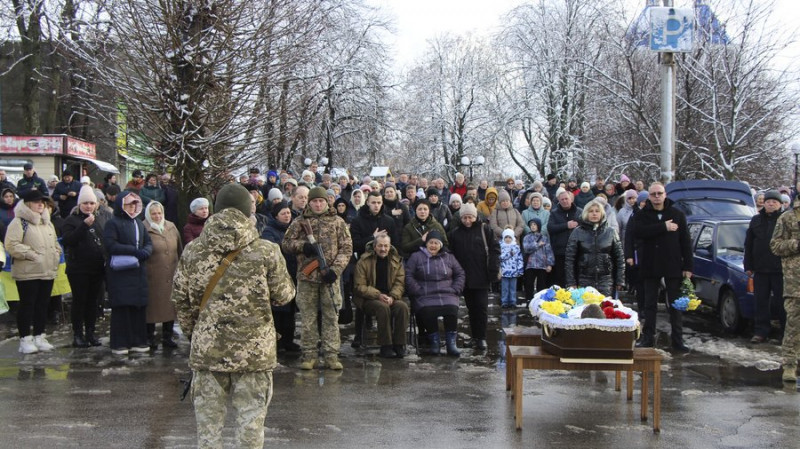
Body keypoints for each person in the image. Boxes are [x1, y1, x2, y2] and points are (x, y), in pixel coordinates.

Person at [172, 183, 295, 448]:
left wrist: (197, 333)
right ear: (246, 210)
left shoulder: (193, 250)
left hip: (208, 352)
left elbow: (180, 300)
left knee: (208, 432)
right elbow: (284, 295)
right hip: (254, 354)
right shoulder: (266, 250)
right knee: (250, 427)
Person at [282, 186, 353, 370]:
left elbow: (346, 249)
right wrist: (303, 246)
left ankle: (331, 356)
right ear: (309, 202)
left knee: (331, 317)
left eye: (321, 201)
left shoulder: (338, 222)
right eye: (314, 201)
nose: (318, 204)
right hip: (307, 278)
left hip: (330, 278)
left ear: (327, 201)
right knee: (308, 318)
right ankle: (309, 355)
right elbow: (286, 243)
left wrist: (335, 270)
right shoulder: (299, 222)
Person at [632, 183, 692, 351]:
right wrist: (663, 227)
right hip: (650, 263)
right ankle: (648, 338)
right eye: (653, 194)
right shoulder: (642, 214)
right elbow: (638, 232)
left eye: (659, 193)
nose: (657, 197)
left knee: (675, 304)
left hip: (672, 263)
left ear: (665, 194)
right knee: (649, 304)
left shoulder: (677, 214)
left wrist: (688, 265)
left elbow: (686, 241)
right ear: (649, 196)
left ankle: (677, 340)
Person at [5, 189, 62, 354]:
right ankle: (25, 339)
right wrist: (32, 255)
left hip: (47, 270)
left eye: (43, 202)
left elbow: (54, 242)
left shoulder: (47, 221)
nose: (41, 205)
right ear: (28, 203)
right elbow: (12, 245)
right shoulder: (19, 222)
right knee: (27, 305)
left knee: (43, 305)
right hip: (28, 271)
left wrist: (56, 254)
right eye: (37, 202)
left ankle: (39, 335)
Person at [104, 192, 153, 354]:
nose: (132, 207)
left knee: (138, 307)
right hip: (120, 272)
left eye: (134, 204)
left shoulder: (138, 223)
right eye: (129, 204)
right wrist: (134, 251)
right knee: (122, 307)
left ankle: (138, 340)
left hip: (138, 271)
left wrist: (145, 251)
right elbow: (111, 244)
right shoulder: (113, 223)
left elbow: (147, 242)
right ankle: (120, 342)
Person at [448, 203, 500, 350]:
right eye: (464, 217)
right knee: (471, 309)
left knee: (481, 308)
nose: (467, 220)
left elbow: (495, 250)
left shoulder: (485, 230)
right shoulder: (455, 233)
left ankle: (481, 338)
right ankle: (475, 337)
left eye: (470, 217)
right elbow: (450, 254)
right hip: (464, 277)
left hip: (482, 275)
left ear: (475, 216)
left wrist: (493, 270)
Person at [405, 230, 465, 356]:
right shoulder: (416, 257)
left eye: (436, 243)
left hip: (447, 292)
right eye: (431, 243)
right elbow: (408, 275)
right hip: (425, 293)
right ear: (426, 244)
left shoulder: (449, 257)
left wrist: (455, 289)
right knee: (428, 310)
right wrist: (417, 290)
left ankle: (451, 344)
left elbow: (460, 273)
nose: (433, 246)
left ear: (441, 245)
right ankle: (435, 342)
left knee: (451, 309)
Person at [61, 186, 106, 347]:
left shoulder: (99, 219)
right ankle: (78, 334)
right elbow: (68, 240)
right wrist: (84, 225)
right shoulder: (71, 220)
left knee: (93, 303)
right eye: (85, 203)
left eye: (92, 203)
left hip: (96, 268)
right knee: (80, 302)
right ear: (80, 204)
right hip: (78, 269)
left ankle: (91, 333)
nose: (89, 206)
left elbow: (103, 240)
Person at [353, 234, 409, 358]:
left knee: (402, 307)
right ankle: (386, 345)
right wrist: (378, 295)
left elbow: (400, 283)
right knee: (382, 308)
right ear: (374, 246)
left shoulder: (396, 261)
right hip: (369, 299)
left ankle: (399, 344)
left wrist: (393, 296)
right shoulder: (363, 261)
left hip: (391, 297)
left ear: (390, 247)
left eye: (386, 246)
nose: (383, 249)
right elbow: (359, 286)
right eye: (380, 246)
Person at [745, 190, 785, 344]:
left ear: (780, 204)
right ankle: (761, 332)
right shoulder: (755, 220)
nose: (771, 203)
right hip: (760, 269)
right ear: (764, 203)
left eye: (775, 202)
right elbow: (748, 244)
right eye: (768, 201)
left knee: (782, 303)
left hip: (780, 269)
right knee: (761, 302)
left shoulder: (785, 220)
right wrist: (748, 264)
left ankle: (784, 333)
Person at [143, 201, 182, 349]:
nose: (157, 216)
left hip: (171, 274)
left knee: (170, 307)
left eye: (159, 213)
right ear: (148, 215)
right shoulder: (144, 228)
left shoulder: (171, 227)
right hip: (153, 276)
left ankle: (167, 337)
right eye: (153, 214)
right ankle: (149, 337)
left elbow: (179, 249)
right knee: (152, 308)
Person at [261, 201, 300, 352]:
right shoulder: (269, 231)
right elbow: (273, 251)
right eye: (283, 213)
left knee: (290, 312)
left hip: (292, 273)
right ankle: (277, 342)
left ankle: (289, 340)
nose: (287, 216)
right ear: (276, 216)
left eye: (288, 213)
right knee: (278, 311)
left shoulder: (293, 229)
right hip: (277, 276)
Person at [564, 199, 624, 297]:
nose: (594, 214)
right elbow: (570, 259)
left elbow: (619, 258)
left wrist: (620, 280)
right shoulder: (577, 232)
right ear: (586, 213)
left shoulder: (611, 232)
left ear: (602, 213)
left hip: (606, 280)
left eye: (597, 211)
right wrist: (571, 282)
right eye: (591, 211)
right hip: (584, 279)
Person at [547, 190, 583, 288]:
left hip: (576, 249)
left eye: (566, 198)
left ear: (571, 199)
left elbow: (585, 227)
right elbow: (550, 228)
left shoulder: (579, 212)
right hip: (560, 251)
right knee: (560, 277)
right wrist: (566, 225)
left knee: (576, 276)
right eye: (562, 199)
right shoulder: (554, 213)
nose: (564, 201)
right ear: (559, 200)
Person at [522, 218, 554, 301]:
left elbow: (549, 251)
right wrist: (537, 244)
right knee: (529, 284)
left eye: (534, 224)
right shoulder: (527, 237)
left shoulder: (544, 238)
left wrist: (549, 264)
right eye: (531, 225)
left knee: (541, 285)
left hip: (542, 265)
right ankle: (529, 300)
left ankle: (540, 301)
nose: (533, 226)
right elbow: (526, 248)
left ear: (538, 226)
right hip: (530, 264)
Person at [499, 229, 524, 309]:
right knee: (505, 288)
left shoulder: (516, 248)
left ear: (512, 238)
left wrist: (520, 269)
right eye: (506, 237)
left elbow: (520, 259)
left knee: (513, 288)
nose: (508, 239)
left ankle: (513, 302)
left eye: (509, 237)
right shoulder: (501, 247)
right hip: (504, 271)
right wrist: (509, 254)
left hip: (514, 272)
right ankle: (504, 302)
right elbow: (499, 258)